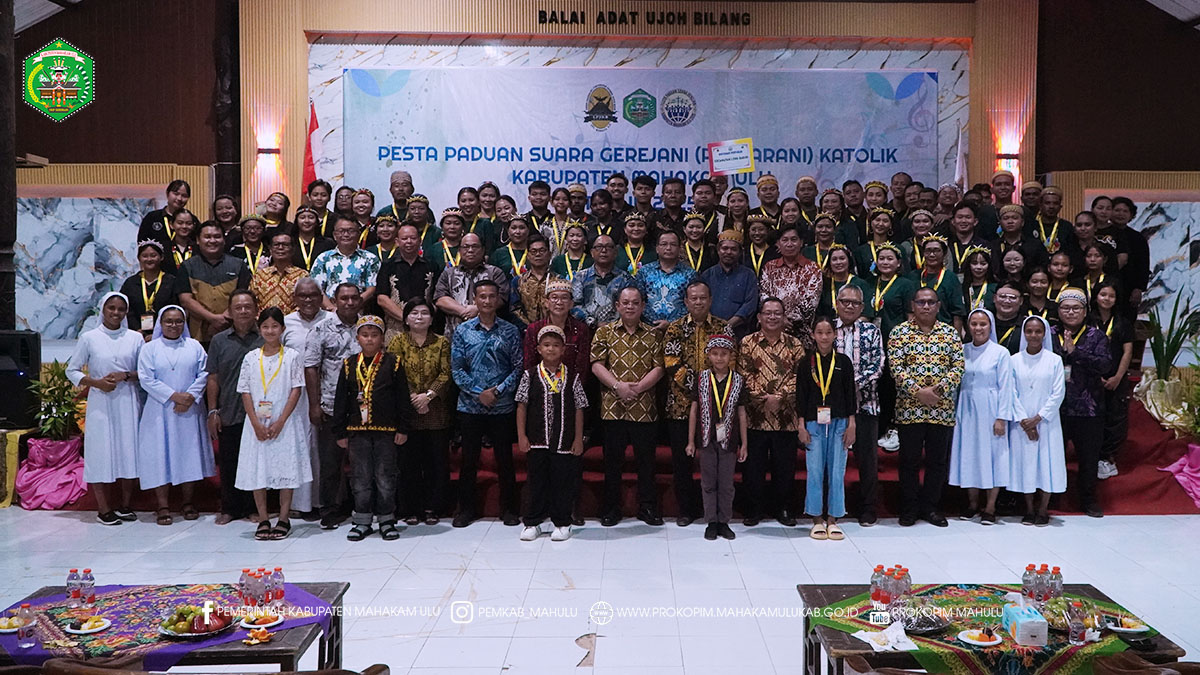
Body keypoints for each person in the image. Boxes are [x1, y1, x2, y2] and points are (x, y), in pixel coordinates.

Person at [332, 315, 416, 541]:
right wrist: (340, 431)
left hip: (387, 431)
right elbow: (341, 400)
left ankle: (387, 519)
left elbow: (402, 399)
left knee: (385, 476)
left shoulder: (393, 363)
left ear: (382, 338)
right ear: (357, 337)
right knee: (360, 476)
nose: (369, 340)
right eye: (365, 335)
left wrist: (403, 428)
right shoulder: (349, 364)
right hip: (357, 431)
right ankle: (362, 520)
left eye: (374, 335)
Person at [888, 287, 965, 527]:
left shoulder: (950, 334)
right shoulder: (899, 333)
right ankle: (909, 508)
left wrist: (937, 392)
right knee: (908, 461)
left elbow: (958, 367)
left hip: (941, 410)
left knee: (936, 462)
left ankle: (931, 508)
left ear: (939, 306)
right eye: (921, 302)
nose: (926, 306)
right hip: (909, 409)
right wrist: (919, 393)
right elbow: (896, 368)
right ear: (913, 305)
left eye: (931, 302)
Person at [450, 280, 523, 527]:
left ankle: (509, 509)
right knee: (469, 461)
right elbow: (457, 370)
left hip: (502, 406)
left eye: (492, 296)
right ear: (475, 299)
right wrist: (479, 392)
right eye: (482, 297)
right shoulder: (463, 331)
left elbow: (519, 368)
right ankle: (466, 510)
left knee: (505, 460)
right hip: (470, 406)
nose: (488, 301)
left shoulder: (510, 331)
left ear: (498, 299)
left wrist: (498, 391)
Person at [591, 286, 666, 526]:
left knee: (646, 462)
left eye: (635, 302)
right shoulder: (605, 333)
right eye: (626, 302)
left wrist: (640, 387)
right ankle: (611, 508)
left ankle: (647, 507)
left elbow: (660, 367)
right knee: (612, 462)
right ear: (617, 306)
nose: (630, 306)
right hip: (613, 406)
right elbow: (596, 364)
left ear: (643, 306)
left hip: (645, 407)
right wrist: (617, 386)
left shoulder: (653, 334)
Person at [67, 292, 143, 525]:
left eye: (121, 309)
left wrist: (126, 375)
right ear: (103, 309)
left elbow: (145, 373)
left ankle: (125, 505)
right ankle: (103, 508)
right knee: (100, 454)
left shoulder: (135, 338)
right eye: (111, 308)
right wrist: (96, 382)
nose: (116, 313)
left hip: (128, 400)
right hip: (100, 402)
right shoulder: (89, 337)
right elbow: (72, 370)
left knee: (128, 451)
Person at [235, 307, 309, 540]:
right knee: (259, 470)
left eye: (274, 326)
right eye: (265, 326)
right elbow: (245, 391)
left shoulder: (291, 357)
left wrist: (280, 421)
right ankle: (264, 518)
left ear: (282, 329)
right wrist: (256, 423)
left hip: (284, 422)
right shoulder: (250, 357)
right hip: (256, 423)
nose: (270, 330)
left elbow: (297, 390)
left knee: (286, 469)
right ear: (260, 328)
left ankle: (284, 518)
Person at [136, 306, 214, 525]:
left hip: (189, 410)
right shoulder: (150, 349)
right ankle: (162, 505)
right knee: (161, 456)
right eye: (169, 321)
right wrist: (173, 396)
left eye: (179, 321)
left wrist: (189, 396)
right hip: (160, 411)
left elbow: (205, 372)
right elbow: (146, 379)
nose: (174, 325)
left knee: (188, 454)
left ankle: (188, 502)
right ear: (161, 323)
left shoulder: (194, 346)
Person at [663, 280, 730, 526]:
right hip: (681, 406)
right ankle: (686, 509)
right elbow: (671, 362)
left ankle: (715, 511)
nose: (699, 302)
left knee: (718, 461)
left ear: (710, 300)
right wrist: (701, 387)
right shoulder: (675, 329)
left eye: (703, 297)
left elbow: (732, 362)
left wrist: (713, 391)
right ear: (686, 302)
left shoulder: (723, 328)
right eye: (694, 298)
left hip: (720, 407)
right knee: (683, 462)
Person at [516, 325, 588, 542]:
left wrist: (578, 438)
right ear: (538, 348)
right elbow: (521, 406)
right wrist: (522, 436)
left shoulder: (572, 377)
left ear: (564, 349)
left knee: (562, 482)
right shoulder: (529, 376)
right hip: (537, 440)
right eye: (546, 345)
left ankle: (562, 522)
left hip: (564, 440)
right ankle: (532, 522)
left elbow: (579, 408)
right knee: (536, 481)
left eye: (556, 345)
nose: (551, 349)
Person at [739, 297, 804, 527]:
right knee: (753, 468)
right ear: (759, 317)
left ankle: (783, 508)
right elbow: (742, 374)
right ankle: (754, 510)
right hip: (755, 416)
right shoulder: (747, 342)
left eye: (777, 313)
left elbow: (801, 377)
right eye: (768, 313)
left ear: (784, 317)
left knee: (784, 467)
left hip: (785, 417)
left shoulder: (795, 345)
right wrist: (763, 399)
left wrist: (780, 397)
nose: (773, 317)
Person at [387, 298, 452, 525]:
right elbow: (394, 374)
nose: (419, 317)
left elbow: (446, 373)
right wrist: (414, 398)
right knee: (408, 464)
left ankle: (433, 507)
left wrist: (428, 396)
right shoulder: (397, 342)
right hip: (408, 412)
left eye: (424, 313)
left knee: (435, 463)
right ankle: (410, 508)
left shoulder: (442, 342)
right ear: (405, 318)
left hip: (436, 412)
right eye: (414, 313)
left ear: (432, 318)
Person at [949, 308, 1017, 524]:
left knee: (993, 456)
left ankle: (990, 506)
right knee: (969, 454)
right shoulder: (962, 350)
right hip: (966, 409)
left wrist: (1001, 417)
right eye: (974, 324)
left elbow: (1007, 387)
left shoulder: (1000, 353)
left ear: (990, 326)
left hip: (991, 409)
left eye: (983, 324)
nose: (978, 328)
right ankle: (972, 504)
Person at [305, 283, 363, 529]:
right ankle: (329, 510)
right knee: (330, 463)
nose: (349, 303)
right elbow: (311, 366)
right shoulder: (321, 328)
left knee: (363, 462)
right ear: (335, 300)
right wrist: (314, 404)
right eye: (344, 298)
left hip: (364, 407)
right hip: (330, 406)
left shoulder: (369, 326)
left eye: (354, 298)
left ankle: (362, 508)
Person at [205, 289, 263, 525]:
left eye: (248, 306)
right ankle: (229, 508)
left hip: (260, 413)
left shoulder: (265, 338)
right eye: (237, 307)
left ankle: (253, 507)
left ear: (256, 311)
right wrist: (212, 411)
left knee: (256, 462)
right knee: (230, 461)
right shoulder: (219, 341)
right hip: (229, 410)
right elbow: (213, 378)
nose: (243, 311)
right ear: (229, 311)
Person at [796, 316, 856, 541]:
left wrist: (852, 423)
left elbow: (850, 395)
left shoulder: (844, 361)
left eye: (828, 332)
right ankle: (816, 518)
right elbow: (800, 396)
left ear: (835, 335)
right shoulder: (805, 362)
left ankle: (833, 518)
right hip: (813, 423)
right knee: (815, 471)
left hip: (840, 422)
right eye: (819, 332)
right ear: (813, 335)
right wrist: (801, 425)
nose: (823, 336)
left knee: (837, 471)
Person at [1054, 288, 1112, 518]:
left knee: (1088, 458)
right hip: (1055, 407)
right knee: (1052, 455)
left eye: (1076, 308)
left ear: (1085, 311)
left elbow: (1105, 365)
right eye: (1065, 308)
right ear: (1058, 311)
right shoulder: (1048, 333)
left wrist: (1075, 352)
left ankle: (1088, 499)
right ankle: (1049, 498)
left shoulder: (1096, 336)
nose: (1070, 312)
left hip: (1089, 408)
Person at [686, 334, 748, 541]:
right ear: (709, 356)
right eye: (715, 354)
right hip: (705, 438)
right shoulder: (701, 378)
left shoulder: (738, 380)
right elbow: (694, 410)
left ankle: (724, 521)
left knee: (726, 483)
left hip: (729, 439)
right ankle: (711, 521)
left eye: (724, 354)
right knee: (708, 481)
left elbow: (741, 413)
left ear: (731, 355)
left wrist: (744, 443)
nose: (720, 358)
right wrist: (690, 441)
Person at [833, 285, 885, 526]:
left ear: (862, 307)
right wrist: (840, 390)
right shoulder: (827, 330)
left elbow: (878, 364)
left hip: (866, 405)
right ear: (837, 303)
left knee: (867, 460)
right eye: (845, 301)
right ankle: (832, 506)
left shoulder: (871, 331)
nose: (849, 306)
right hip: (832, 407)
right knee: (832, 459)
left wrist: (854, 385)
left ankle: (867, 509)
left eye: (855, 303)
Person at [1009, 315, 1066, 526]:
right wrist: (1024, 420)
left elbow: (1058, 393)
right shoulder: (1014, 360)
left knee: (1047, 465)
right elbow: (1010, 392)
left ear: (1044, 334)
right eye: (1029, 331)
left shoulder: (1054, 360)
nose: (1033, 335)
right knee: (1027, 465)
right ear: (1024, 333)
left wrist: (1038, 418)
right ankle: (1029, 509)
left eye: (1038, 331)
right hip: (1022, 423)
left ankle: (1043, 509)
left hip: (1047, 423)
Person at [281, 278, 331, 518]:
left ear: (322, 297)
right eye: (303, 296)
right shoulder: (285, 323)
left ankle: (326, 501)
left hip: (329, 391)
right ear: (295, 299)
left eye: (313, 295)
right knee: (302, 446)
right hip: (296, 395)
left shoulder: (332, 320)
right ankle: (301, 503)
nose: (308, 300)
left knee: (325, 450)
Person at [174, 222, 252, 344]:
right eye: (207, 237)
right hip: (198, 335)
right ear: (198, 240)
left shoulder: (238, 265)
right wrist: (212, 319)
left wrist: (223, 320)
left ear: (224, 240)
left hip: (233, 332)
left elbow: (244, 296)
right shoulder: (188, 266)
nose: (212, 240)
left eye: (217, 236)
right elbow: (185, 300)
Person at [759, 226, 823, 348]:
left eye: (794, 239)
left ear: (801, 242)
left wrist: (784, 319)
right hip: (771, 329)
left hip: (802, 333)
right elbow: (764, 296)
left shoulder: (813, 269)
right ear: (778, 244)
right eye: (785, 240)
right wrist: (778, 319)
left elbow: (810, 303)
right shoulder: (769, 267)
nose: (789, 244)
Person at [434, 232, 508, 336]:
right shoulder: (448, 273)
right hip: (454, 334)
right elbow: (440, 299)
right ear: (459, 250)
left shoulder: (495, 273)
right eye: (466, 247)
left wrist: (477, 309)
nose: (470, 250)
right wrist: (464, 311)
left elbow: (502, 298)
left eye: (475, 246)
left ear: (483, 250)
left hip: (490, 335)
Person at [1094, 281, 1133, 481]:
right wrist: (1096, 377)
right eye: (1103, 294)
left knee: (1115, 418)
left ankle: (1107, 458)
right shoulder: (1088, 320)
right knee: (1094, 419)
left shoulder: (1122, 322)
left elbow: (1127, 352)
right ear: (1096, 296)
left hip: (1116, 377)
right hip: (1093, 379)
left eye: (1111, 296)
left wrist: (1118, 377)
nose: (1107, 299)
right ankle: (1093, 457)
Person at [376, 223, 435, 341]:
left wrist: (421, 319)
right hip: (395, 330)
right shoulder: (387, 265)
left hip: (425, 330)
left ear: (420, 240)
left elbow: (437, 298)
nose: (409, 241)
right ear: (397, 241)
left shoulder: (431, 266)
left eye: (413, 238)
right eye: (404, 238)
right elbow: (382, 298)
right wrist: (406, 318)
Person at [310, 216, 382, 310]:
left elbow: (372, 288)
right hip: (329, 313)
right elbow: (317, 289)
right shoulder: (323, 258)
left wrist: (353, 305)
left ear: (358, 234)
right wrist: (332, 309)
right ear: (335, 235)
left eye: (351, 231)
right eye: (341, 231)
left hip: (360, 313)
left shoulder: (370, 259)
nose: (346, 234)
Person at [701, 229, 759, 339]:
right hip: (710, 332)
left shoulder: (748, 275)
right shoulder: (707, 275)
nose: (728, 252)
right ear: (718, 250)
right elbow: (701, 303)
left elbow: (750, 304)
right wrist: (715, 325)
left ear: (740, 252)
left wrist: (728, 326)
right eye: (725, 248)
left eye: (733, 249)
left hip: (740, 334)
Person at [570, 234, 632, 330]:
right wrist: (593, 323)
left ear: (615, 252)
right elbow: (574, 305)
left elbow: (630, 305)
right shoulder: (580, 277)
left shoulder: (625, 278)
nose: (604, 250)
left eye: (608, 247)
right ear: (592, 252)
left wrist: (613, 325)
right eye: (599, 247)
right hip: (586, 330)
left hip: (619, 331)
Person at [637, 230, 696, 329]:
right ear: (657, 248)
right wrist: (654, 321)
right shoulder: (644, 272)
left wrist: (671, 323)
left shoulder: (690, 274)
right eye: (664, 244)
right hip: (647, 328)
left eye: (673, 244)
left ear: (679, 248)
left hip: (679, 329)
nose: (668, 248)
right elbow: (638, 301)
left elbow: (691, 303)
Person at [120, 240, 178, 338]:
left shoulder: (171, 281)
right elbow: (126, 309)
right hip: (136, 335)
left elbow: (176, 307)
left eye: (153, 255)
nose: (149, 259)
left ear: (161, 257)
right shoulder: (131, 283)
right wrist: (136, 329)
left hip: (165, 335)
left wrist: (158, 332)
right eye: (145, 256)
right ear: (139, 258)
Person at [1106, 197, 1150, 316]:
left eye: (1125, 211)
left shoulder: (1138, 238)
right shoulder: (1102, 234)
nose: (1121, 214)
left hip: (1128, 288)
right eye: (1117, 210)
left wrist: (1138, 288)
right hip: (1105, 286)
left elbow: (1143, 265)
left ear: (1131, 215)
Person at [249, 230, 308, 315]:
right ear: (271, 249)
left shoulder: (302, 276)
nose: (280, 248)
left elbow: (305, 302)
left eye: (285, 245)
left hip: (293, 325)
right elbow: (252, 302)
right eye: (276, 245)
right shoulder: (259, 276)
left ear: (293, 249)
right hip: (263, 325)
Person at [510, 235, 558, 329]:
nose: (538, 254)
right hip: (525, 332)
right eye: (533, 251)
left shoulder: (558, 280)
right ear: (528, 255)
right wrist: (530, 329)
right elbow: (514, 310)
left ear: (549, 254)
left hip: (553, 331)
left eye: (542, 250)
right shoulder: (518, 281)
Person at [817, 245, 872, 320]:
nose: (838, 262)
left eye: (842, 258)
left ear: (849, 261)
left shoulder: (861, 284)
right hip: (830, 329)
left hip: (855, 328)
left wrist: (849, 328)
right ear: (829, 263)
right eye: (834, 259)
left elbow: (867, 314)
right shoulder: (824, 285)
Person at [138, 179, 192, 253]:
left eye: (184, 196)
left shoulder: (191, 220)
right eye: (176, 194)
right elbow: (142, 244)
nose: (179, 198)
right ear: (167, 194)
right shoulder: (152, 218)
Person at [293, 205, 336, 271]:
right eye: (302, 217)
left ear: (316, 221)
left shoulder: (328, 243)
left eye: (311, 217)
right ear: (296, 221)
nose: (307, 221)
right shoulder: (290, 243)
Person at [616, 211, 657, 276]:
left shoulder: (654, 251)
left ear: (646, 229)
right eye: (631, 225)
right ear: (625, 229)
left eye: (640, 225)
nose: (636, 229)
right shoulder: (616, 251)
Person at [992, 281, 1026, 354]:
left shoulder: (1026, 326)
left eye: (1012, 297)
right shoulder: (984, 323)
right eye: (1002, 296)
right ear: (994, 298)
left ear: (1021, 301)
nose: (1007, 301)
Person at [961, 247, 996, 313]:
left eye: (983, 264)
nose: (979, 267)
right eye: (974, 263)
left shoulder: (995, 288)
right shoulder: (961, 288)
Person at [163, 209, 198, 276]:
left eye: (188, 223)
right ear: (171, 225)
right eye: (180, 223)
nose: (184, 226)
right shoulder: (164, 248)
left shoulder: (198, 248)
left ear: (193, 226)